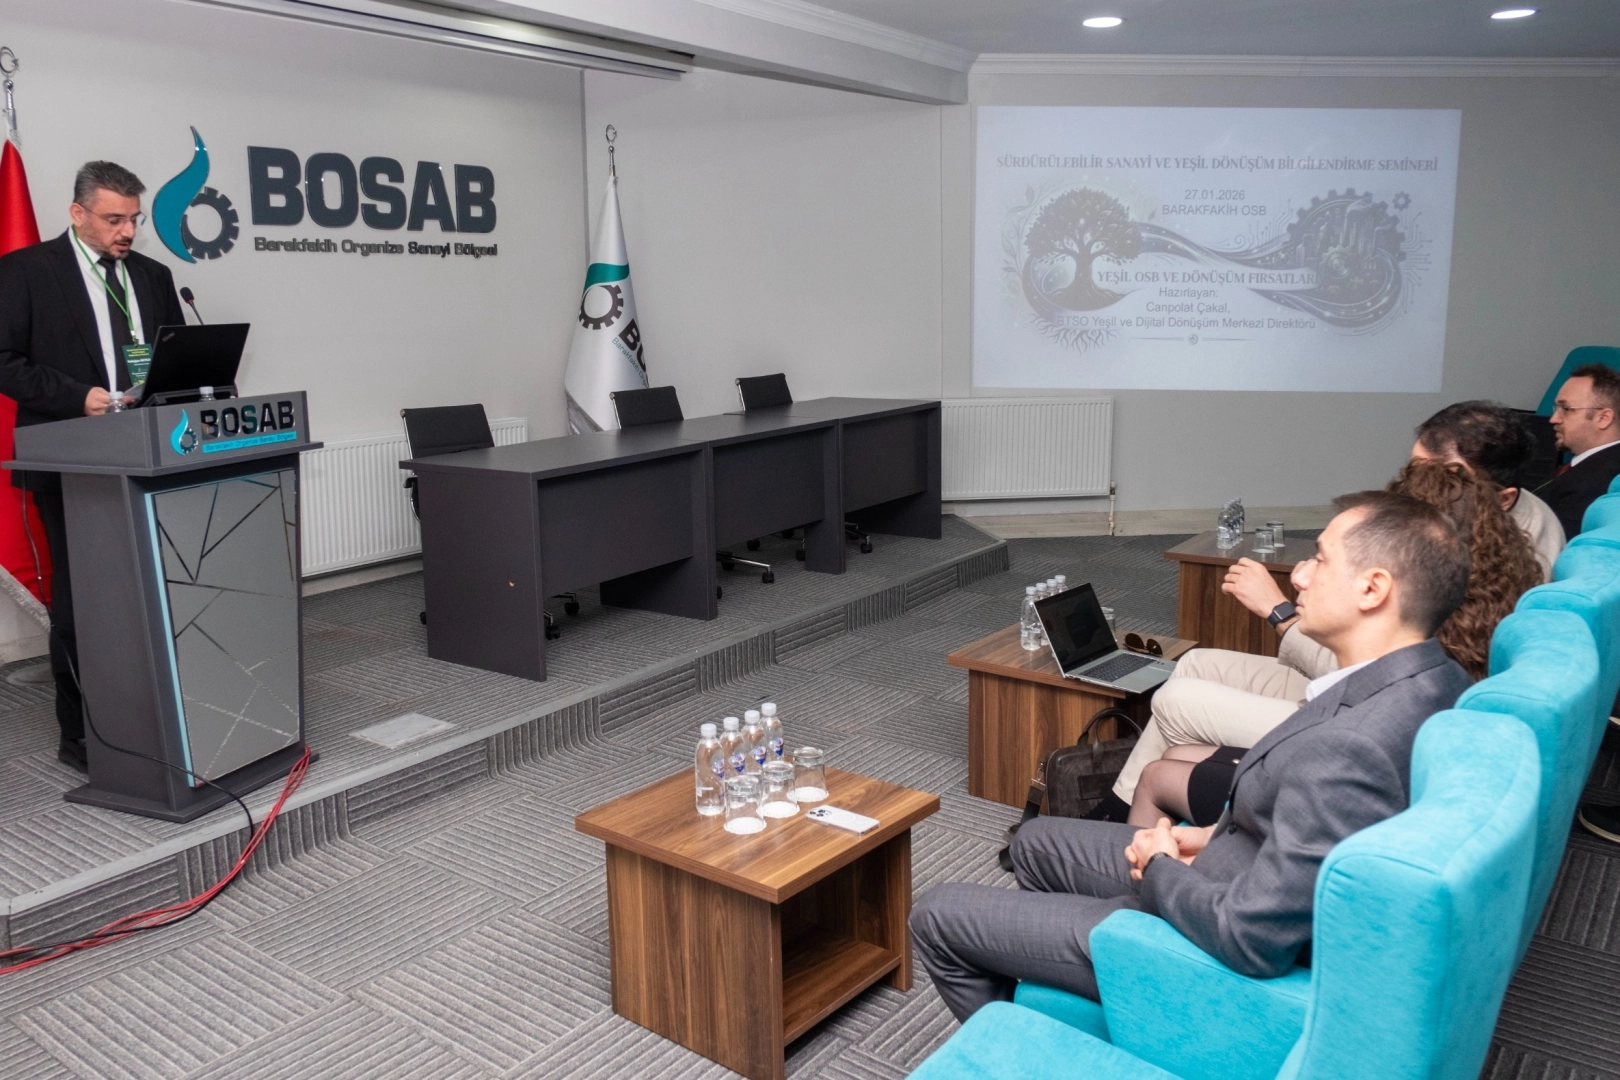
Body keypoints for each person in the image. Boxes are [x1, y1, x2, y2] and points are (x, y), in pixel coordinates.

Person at [909, 491, 1472, 1021]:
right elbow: (1316, 845)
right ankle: (1061, 986)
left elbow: (1250, 938)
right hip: (1233, 868)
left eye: (1320, 560)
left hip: (1206, 940)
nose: (1299, 574)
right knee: (1033, 843)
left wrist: (1159, 865)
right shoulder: (1428, 678)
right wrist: (1211, 834)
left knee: (936, 914)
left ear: (1373, 589)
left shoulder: (1356, 748)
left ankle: (1041, 1030)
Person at [1095, 401, 1557, 821]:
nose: (1414, 486)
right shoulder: (1482, 538)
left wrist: (1280, 614)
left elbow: (1368, 671)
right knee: (1196, 664)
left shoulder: (1453, 563)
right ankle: (1143, 804)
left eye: (1435, 475)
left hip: (1357, 712)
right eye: (1417, 468)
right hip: (1358, 691)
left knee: (1176, 705)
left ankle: (1136, 811)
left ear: (1493, 495)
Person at [0, 161, 186, 771]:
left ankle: (160, 715)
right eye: (113, 219)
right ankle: (82, 734)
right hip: (69, 461)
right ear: (78, 213)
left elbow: (170, 360)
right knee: (83, 601)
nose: (127, 231)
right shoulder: (27, 271)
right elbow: (4, 360)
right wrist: (76, 396)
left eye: (134, 218)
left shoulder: (154, 276)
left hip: (147, 455)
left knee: (153, 593)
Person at [1536, 364, 1620, 540]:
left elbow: (1555, 545)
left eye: (1566, 409)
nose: (1554, 419)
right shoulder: (1587, 465)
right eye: (1556, 408)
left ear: (1603, 418)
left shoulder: (1598, 480)